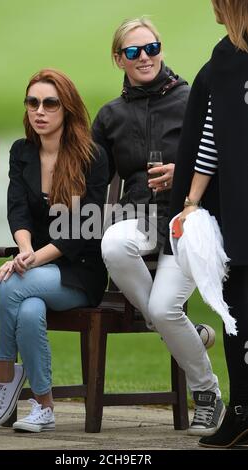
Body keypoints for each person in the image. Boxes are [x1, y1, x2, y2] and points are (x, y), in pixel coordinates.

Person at [92, 16, 223, 436]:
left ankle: (206, 392)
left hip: (190, 221)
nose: (144, 57)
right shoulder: (110, 115)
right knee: (112, 243)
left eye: (151, 48)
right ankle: (178, 331)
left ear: (160, 49)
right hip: (140, 221)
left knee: (167, 308)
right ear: (119, 59)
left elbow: (221, 162)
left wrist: (181, 176)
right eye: (133, 51)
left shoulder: (192, 98)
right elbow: (95, 181)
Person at [0, 68, 109, 433]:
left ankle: (3, 378)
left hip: (80, 270)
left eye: (49, 103)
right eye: (32, 102)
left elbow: (85, 228)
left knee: (8, 286)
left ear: (66, 109)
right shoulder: (22, 152)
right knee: (27, 310)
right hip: (36, 268)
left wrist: (32, 259)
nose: (39, 110)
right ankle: (44, 406)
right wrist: (24, 250)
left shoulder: (92, 157)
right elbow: (17, 209)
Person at [166, 0, 248, 448]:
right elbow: (215, 137)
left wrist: (192, 200)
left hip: (241, 213)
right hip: (240, 213)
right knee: (238, 314)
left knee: (239, 314)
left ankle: (242, 412)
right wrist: (193, 202)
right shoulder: (224, 62)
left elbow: (211, 140)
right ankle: (242, 412)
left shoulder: (227, 62)